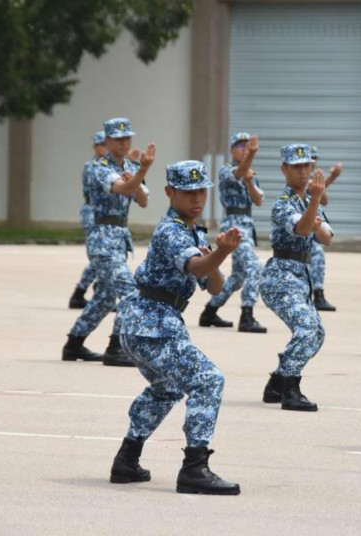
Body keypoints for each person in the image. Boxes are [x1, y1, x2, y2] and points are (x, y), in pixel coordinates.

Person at [110, 160, 241, 495]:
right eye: (188, 192)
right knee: (208, 380)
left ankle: (127, 460)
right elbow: (197, 266)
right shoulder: (171, 230)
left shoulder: (193, 231)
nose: (197, 198)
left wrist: (218, 254)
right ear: (170, 193)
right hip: (152, 325)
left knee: (166, 388)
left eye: (201, 191)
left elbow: (213, 286)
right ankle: (195, 468)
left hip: (149, 324)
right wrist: (220, 254)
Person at [61, 118, 153, 365]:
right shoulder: (98, 167)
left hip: (119, 237)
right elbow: (122, 188)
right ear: (108, 141)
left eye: (128, 138)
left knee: (104, 297)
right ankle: (116, 348)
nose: (124, 143)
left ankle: (74, 344)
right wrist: (141, 171)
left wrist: (139, 173)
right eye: (119, 139)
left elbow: (143, 200)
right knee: (130, 292)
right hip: (102, 237)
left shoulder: (131, 166)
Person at [259, 144, 333, 412]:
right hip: (280, 279)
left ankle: (277, 383)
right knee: (308, 330)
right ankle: (290, 389)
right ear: (284, 169)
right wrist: (314, 204)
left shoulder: (306, 202)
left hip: (299, 278)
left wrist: (314, 212)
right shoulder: (284, 204)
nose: (303, 171)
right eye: (296, 166)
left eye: (307, 166)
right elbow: (303, 229)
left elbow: (327, 237)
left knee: (317, 332)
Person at [198, 132, 267, 333]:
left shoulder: (250, 174)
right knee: (254, 267)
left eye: (248, 146)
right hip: (234, 227)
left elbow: (258, 200)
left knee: (237, 277)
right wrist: (250, 158)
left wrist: (249, 182)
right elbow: (237, 174)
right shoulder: (225, 170)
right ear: (231, 150)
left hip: (247, 225)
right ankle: (247, 315)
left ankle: (209, 311)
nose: (244, 149)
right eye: (240, 146)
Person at [68, 131, 107, 309]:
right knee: (99, 257)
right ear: (95, 147)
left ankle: (95, 294)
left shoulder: (109, 165)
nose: (104, 148)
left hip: (104, 215)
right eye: (101, 145)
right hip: (93, 213)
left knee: (103, 257)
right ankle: (81, 293)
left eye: (106, 144)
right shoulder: (93, 166)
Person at [308, 146, 342, 312]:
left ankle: (318, 295)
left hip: (313, 225)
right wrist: (333, 177)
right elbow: (312, 190)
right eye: (311, 158)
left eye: (315, 158)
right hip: (300, 224)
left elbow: (324, 199)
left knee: (317, 255)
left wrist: (322, 186)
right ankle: (315, 294)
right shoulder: (301, 178)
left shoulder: (314, 179)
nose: (313, 162)